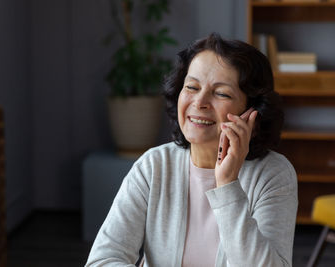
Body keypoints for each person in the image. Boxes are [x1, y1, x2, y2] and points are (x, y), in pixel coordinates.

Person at [85, 33, 298, 266]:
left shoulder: (274, 175)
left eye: (221, 93)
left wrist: (227, 184)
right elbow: (103, 260)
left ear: (253, 115)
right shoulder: (154, 166)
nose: (199, 102)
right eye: (192, 87)